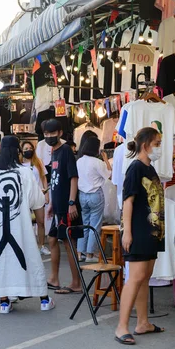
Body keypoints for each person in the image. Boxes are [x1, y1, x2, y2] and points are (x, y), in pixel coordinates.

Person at [0, 135, 56, 314]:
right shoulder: (24, 172)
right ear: (17, 151)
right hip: (21, 227)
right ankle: (43, 299)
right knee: (29, 258)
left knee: (1, 261)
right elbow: (37, 200)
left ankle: (4, 301)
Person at [114, 127, 165, 345]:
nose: (159, 148)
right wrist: (127, 232)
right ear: (146, 145)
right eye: (157, 143)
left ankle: (142, 322)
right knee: (135, 277)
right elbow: (128, 201)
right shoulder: (135, 169)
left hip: (152, 231)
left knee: (145, 276)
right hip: (139, 230)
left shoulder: (150, 168)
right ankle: (121, 327)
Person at [44, 119, 83, 295]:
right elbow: (54, 180)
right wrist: (52, 203)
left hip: (67, 207)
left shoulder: (66, 150)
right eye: (46, 134)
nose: (49, 136)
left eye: (52, 133)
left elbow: (73, 177)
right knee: (52, 239)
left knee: (69, 243)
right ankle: (54, 278)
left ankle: (76, 282)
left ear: (60, 133)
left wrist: (71, 202)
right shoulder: (54, 152)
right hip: (58, 206)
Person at [76, 137, 111, 263]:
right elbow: (110, 174)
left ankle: (80, 253)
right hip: (95, 194)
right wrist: (106, 159)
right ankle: (90, 254)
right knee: (95, 225)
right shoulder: (97, 162)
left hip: (82, 195)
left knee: (85, 224)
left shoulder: (79, 161)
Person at [21, 141, 51, 256]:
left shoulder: (38, 162)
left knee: (40, 222)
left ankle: (41, 245)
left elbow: (44, 178)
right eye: (25, 148)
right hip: (25, 197)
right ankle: (29, 246)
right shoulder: (19, 164)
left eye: (30, 148)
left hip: (38, 195)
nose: (28, 150)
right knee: (26, 222)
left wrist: (46, 194)